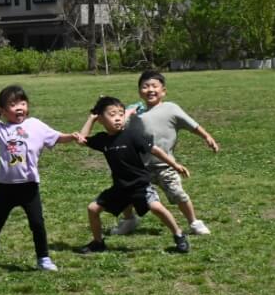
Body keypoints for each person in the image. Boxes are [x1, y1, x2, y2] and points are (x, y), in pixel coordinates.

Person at [0, 85, 82, 272]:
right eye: (12, 105)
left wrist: (71, 136)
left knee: (37, 223)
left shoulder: (36, 125)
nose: (19, 107)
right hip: (5, 186)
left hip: (29, 186)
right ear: (3, 110)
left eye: (22, 103)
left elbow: (56, 137)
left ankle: (43, 258)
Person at [110, 71, 220, 236]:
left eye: (154, 86)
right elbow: (115, 128)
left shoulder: (171, 109)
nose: (150, 90)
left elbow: (192, 124)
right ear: (140, 91)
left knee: (178, 194)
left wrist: (207, 136)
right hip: (139, 167)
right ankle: (129, 220)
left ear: (163, 91)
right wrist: (125, 115)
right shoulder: (133, 112)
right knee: (126, 192)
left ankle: (194, 222)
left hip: (165, 164)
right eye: (145, 86)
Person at [78, 96, 191, 254]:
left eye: (120, 114)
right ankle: (98, 243)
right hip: (120, 188)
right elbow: (81, 139)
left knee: (157, 208)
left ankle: (179, 235)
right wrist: (91, 119)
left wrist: (175, 165)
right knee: (92, 209)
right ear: (101, 119)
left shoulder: (132, 135)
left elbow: (155, 150)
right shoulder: (103, 140)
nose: (117, 118)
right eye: (112, 114)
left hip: (140, 185)